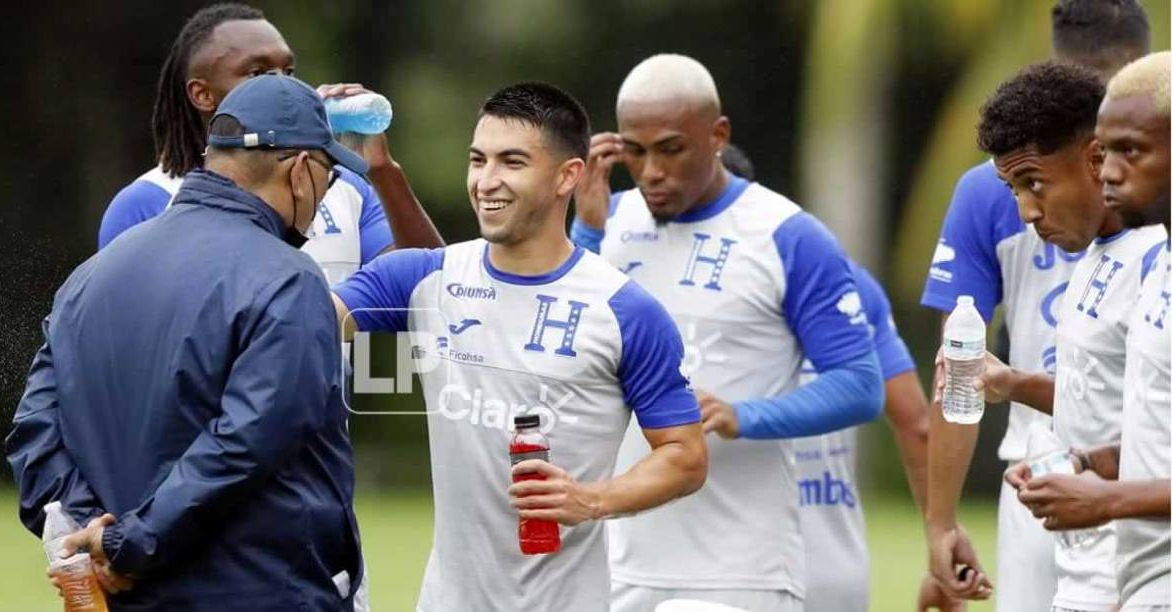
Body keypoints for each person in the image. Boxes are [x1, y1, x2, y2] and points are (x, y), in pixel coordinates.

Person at [331, 82, 708, 611]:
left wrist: (591, 500)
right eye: (477, 160)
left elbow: (685, 456)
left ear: (567, 176)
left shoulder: (625, 311)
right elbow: (297, 321)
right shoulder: (421, 278)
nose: (487, 181)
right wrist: (296, 162)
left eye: (511, 162)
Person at [6, 75, 364, 611]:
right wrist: (124, 543)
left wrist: (87, 529)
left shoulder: (91, 275)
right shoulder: (290, 280)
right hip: (258, 592)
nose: (322, 197)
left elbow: (35, 428)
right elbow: (245, 443)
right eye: (329, 177)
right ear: (300, 169)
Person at [568, 54, 883, 611]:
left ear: (718, 136)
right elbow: (563, 359)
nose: (650, 172)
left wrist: (744, 415)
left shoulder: (787, 234)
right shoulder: (606, 224)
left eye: (670, 149)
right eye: (635, 153)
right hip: (615, 561)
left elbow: (860, 384)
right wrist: (587, 235)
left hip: (738, 572)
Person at [921, 1, 1151, 607]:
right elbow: (961, 369)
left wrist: (1113, 491)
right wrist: (941, 522)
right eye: (1015, 188)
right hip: (1043, 478)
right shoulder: (1093, 252)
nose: (1025, 211)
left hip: (1133, 518)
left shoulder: (1152, 252)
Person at [721, 144, 951, 611]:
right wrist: (940, 549)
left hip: (725, 571)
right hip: (836, 572)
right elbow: (919, 424)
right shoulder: (850, 283)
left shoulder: (661, 287)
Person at [97, 3, 442, 282]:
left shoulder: (347, 187)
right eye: (257, 73)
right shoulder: (146, 202)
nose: (282, 85)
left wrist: (382, 171)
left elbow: (429, 292)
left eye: (288, 72)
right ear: (202, 94)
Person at [1004, 51, 1170, 612]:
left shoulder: (1146, 257)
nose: (1110, 171)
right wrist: (1086, 465)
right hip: (1118, 571)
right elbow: (1151, 426)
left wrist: (1107, 501)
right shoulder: (1140, 258)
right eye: (1107, 152)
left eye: (1132, 151)